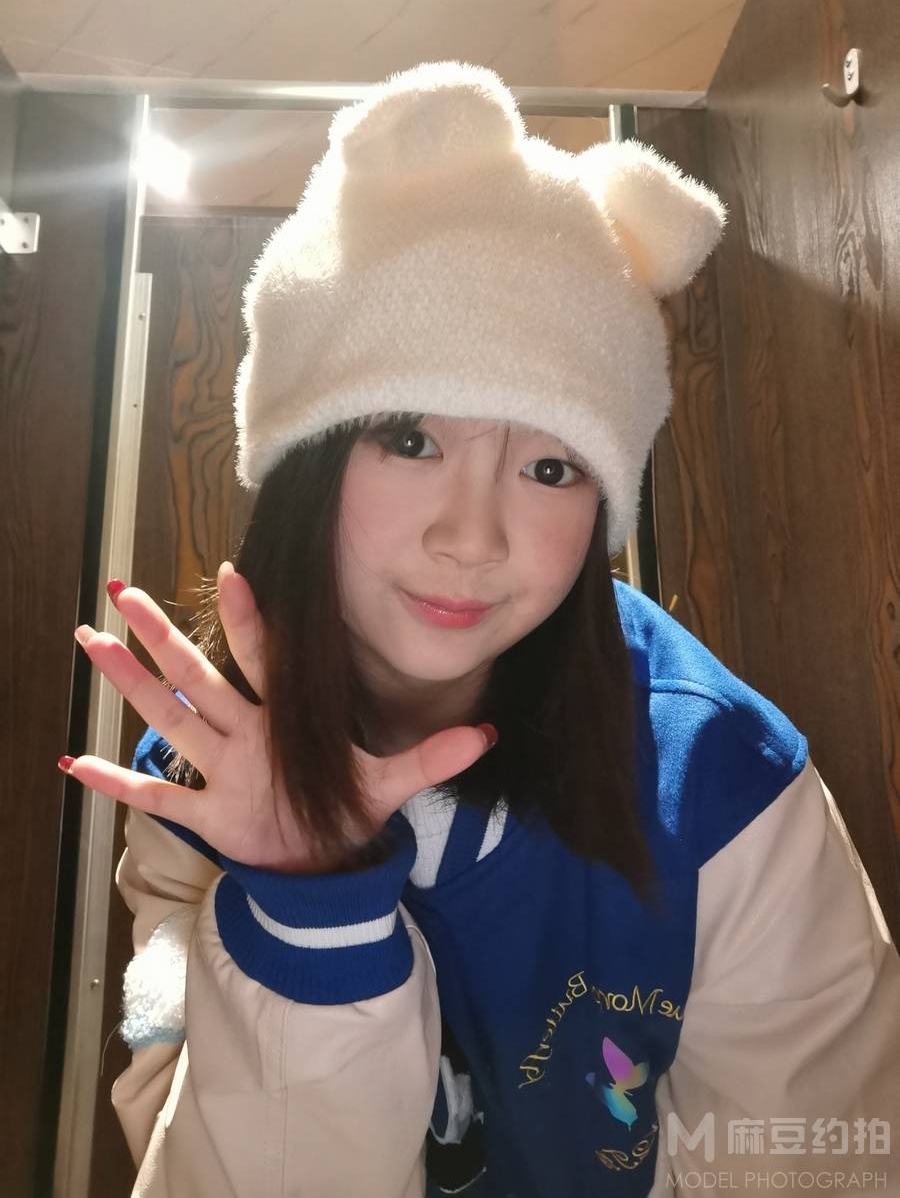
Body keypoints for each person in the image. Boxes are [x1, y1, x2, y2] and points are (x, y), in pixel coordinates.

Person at [59, 61, 900, 1197]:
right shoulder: (204, 778)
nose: (472, 537)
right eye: (411, 440)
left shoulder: (722, 780)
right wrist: (312, 904)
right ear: (306, 466)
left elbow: (818, 1162)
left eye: (551, 467)